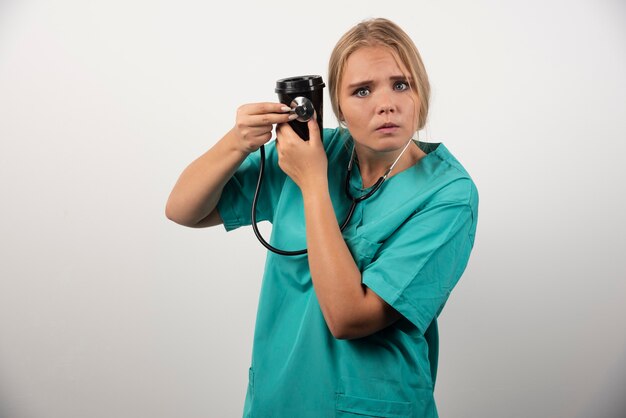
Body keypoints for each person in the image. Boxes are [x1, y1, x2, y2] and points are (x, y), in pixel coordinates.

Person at [166, 17, 478, 418]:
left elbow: (349, 318)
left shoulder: (448, 195)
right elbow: (183, 209)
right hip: (278, 399)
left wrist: (312, 183)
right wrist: (236, 141)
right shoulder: (316, 150)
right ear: (338, 109)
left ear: (422, 91)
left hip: (372, 406)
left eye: (401, 84)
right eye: (362, 91)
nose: (387, 103)